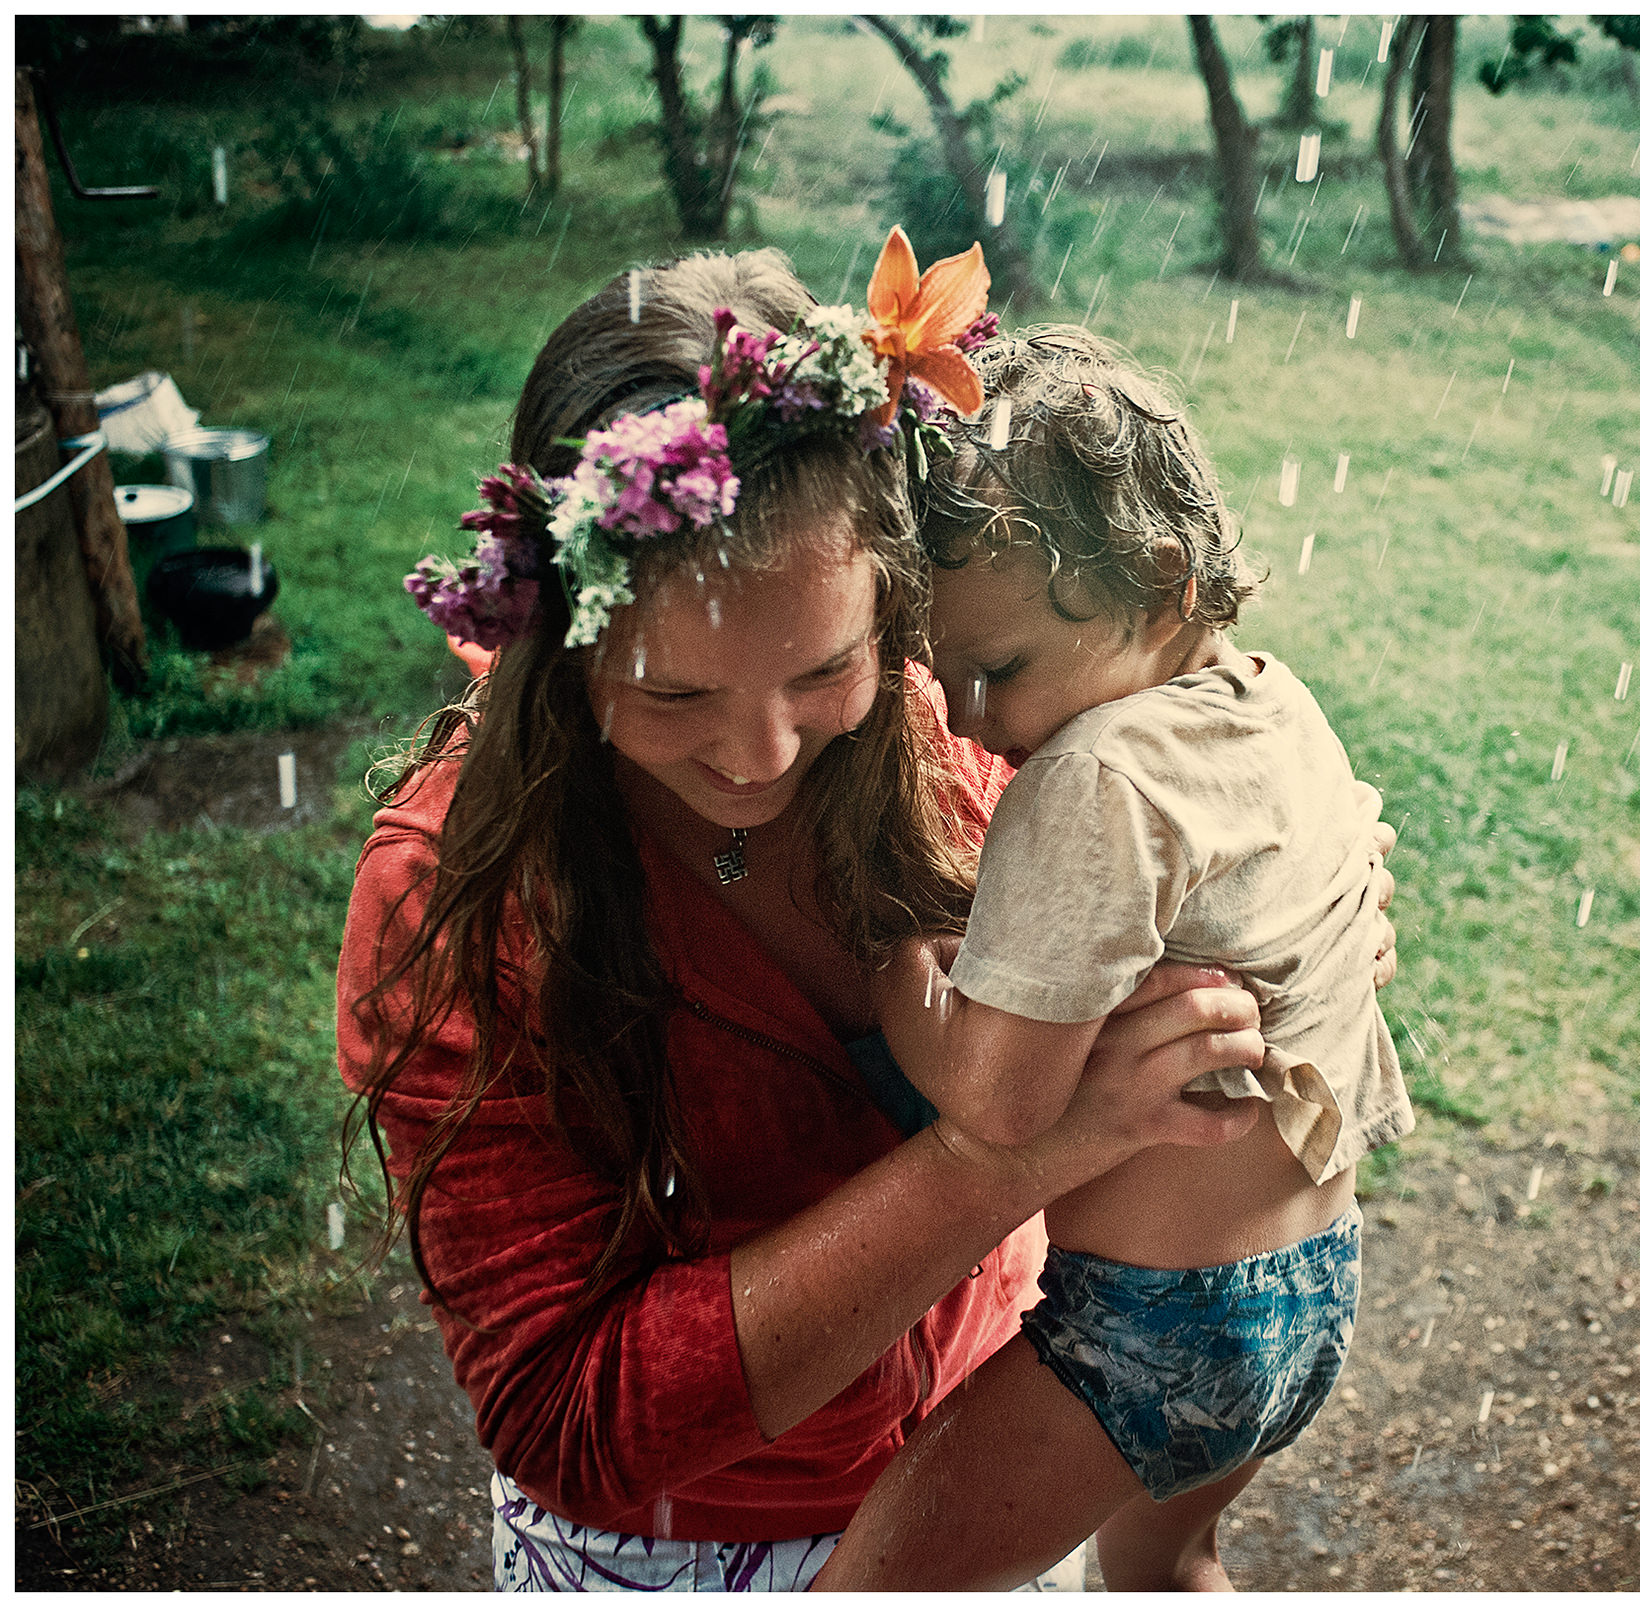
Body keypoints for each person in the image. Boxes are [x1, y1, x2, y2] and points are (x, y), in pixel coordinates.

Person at [335, 235, 1400, 1590]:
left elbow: (1208, 813)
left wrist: (1304, 917)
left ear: (891, 593)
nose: (763, 754)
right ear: (564, 639)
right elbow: (569, 1420)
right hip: (681, 1544)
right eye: (673, 696)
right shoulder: (451, 895)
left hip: (1001, 1442)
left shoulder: (969, 717)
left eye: (827, 668)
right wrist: (1012, 1154)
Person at [812, 328, 1413, 1591]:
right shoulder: (1275, 702)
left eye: (998, 669)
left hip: (1154, 1325)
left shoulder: (1090, 774)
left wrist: (898, 969)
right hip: (1315, 1279)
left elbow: (1000, 1098)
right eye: (942, 674)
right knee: (1165, 1567)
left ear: (1159, 573)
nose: (969, 719)